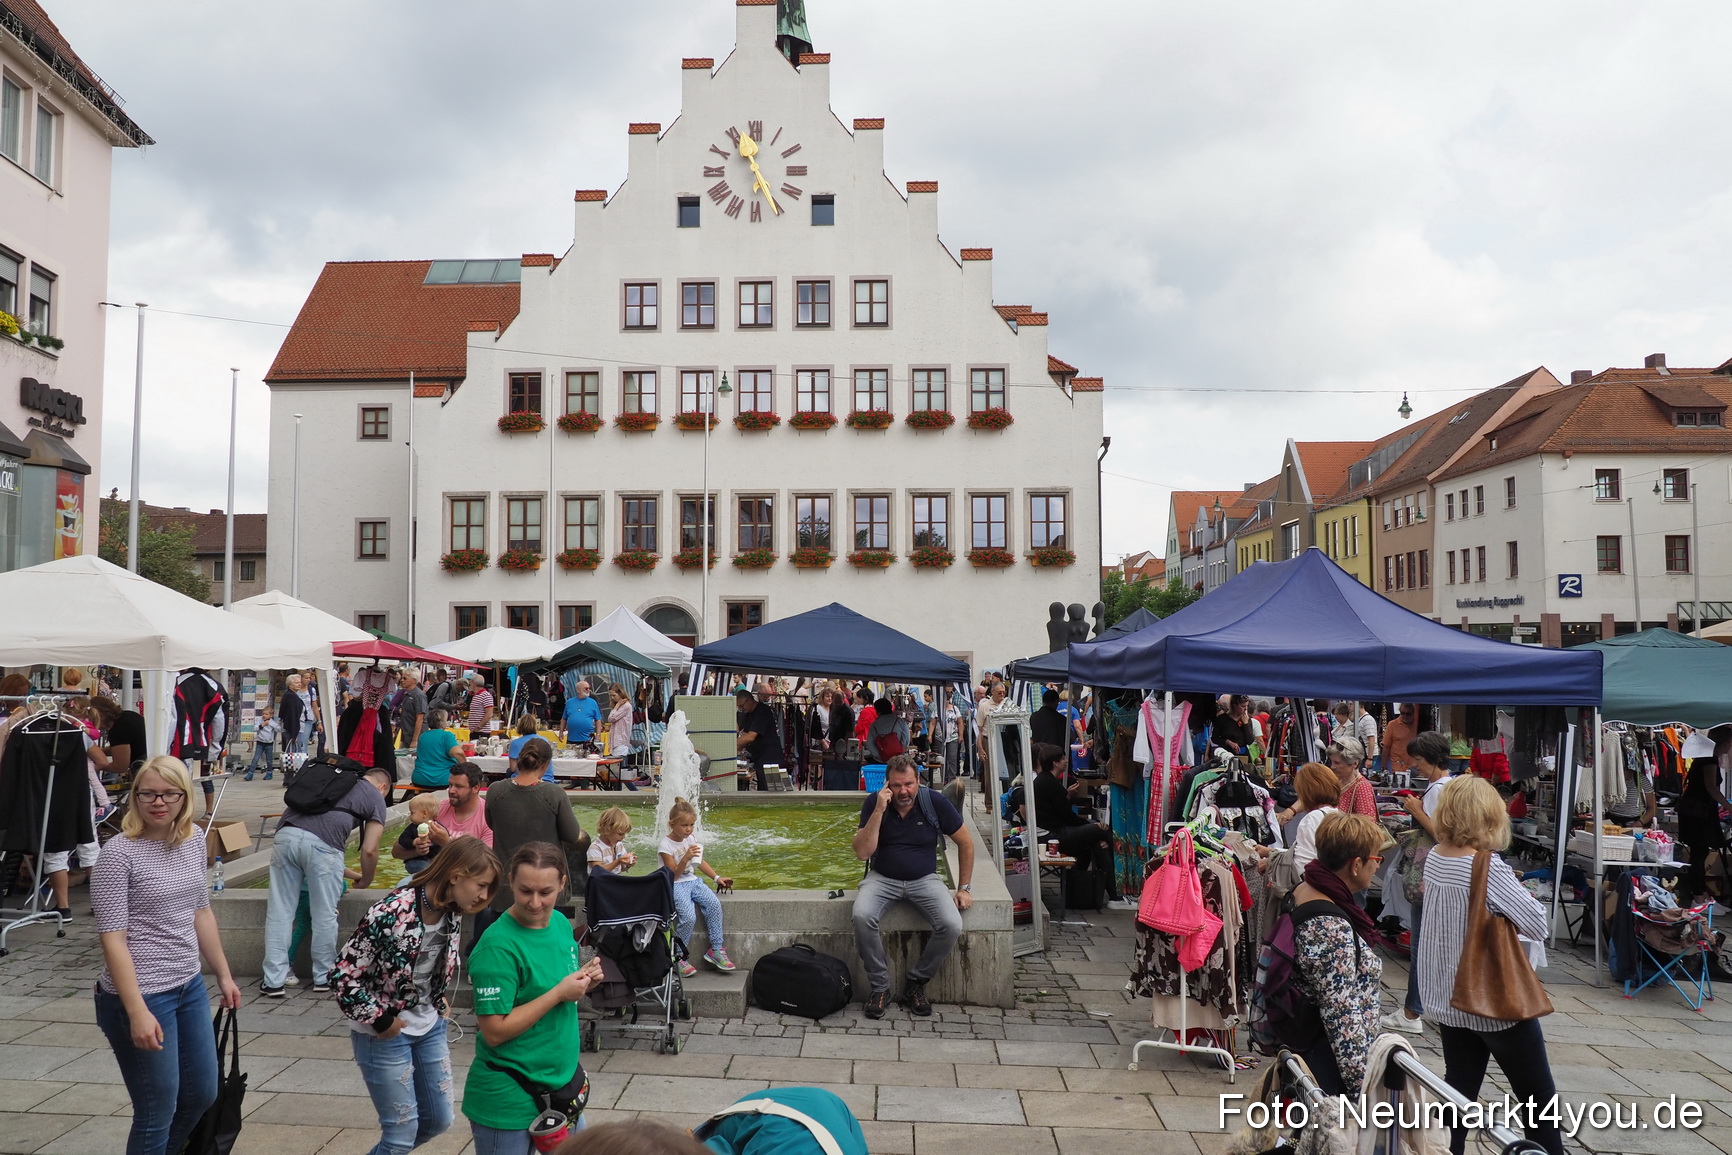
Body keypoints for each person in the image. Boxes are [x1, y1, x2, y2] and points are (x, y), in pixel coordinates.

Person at [91, 756, 242, 1155]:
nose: (158, 802)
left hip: (188, 985)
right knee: (156, 1110)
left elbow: (201, 911)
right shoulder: (117, 855)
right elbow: (113, 940)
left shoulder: (193, 839)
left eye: (169, 794)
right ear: (136, 797)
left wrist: (223, 974)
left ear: (184, 797)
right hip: (141, 993)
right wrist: (137, 1011)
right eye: (148, 794)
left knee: (202, 1093)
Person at [1419, 775, 1562, 1155]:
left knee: (1459, 1090)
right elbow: (1537, 923)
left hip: (1450, 997)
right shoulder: (1486, 866)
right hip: (1494, 1002)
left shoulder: (1436, 857)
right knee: (1538, 1099)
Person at [336, 836, 501, 1155]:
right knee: (400, 1135)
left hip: (430, 1025)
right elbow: (343, 975)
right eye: (481, 885)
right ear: (456, 875)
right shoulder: (392, 910)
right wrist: (381, 1021)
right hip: (382, 1034)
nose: (483, 896)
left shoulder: (453, 909)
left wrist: (437, 996)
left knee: (439, 1120)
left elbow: (429, 962)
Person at [463, 843, 605, 1155]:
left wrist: (583, 980)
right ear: (510, 881)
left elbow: (554, 982)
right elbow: (494, 1031)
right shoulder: (497, 948)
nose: (536, 902)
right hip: (509, 1098)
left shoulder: (559, 924)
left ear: (563, 884)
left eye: (546, 892)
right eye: (525, 891)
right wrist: (559, 993)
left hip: (563, 1087)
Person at [851, 754, 975, 1018]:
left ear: (918, 780)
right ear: (887, 784)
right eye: (896, 785)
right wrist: (879, 810)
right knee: (861, 916)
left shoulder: (934, 802)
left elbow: (966, 842)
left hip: (924, 879)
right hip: (882, 878)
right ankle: (880, 987)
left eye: (908, 784)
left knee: (951, 924)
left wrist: (964, 887)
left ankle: (916, 982)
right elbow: (862, 852)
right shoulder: (874, 802)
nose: (903, 791)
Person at [260, 765, 390, 996]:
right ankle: (323, 977)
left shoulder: (330, 779)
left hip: (286, 835)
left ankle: (273, 981)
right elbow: (370, 850)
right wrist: (366, 879)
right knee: (324, 914)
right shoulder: (375, 795)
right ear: (382, 787)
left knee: (280, 912)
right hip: (324, 845)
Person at [1287, 812, 1389, 1097]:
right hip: (1327, 1066)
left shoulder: (1306, 887)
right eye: (1376, 859)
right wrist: (1363, 1089)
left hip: (1311, 1050)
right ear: (1356, 865)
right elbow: (1341, 1015)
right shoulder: (1330, 927)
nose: (1376, 866)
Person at [1387, 730, 1454, 1034]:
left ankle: (1412, 1011)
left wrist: (1415, 810)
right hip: (1439, 874)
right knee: (1433, 945)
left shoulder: (1439, 789)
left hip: (1429, 873)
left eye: (1418, 759)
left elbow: (1441, 835)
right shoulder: (1449, 785)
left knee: (1420, 945)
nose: (1415, 765)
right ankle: (1433, 1007)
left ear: (1431, 758)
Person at [483, 738, 585, 920]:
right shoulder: (554, 794)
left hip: (505, 888)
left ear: (520, 759)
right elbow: (572, 835)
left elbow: (492, 824)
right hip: (545, 889)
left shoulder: (495, 791)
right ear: (546, 764)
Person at [1025, 743, 1126, 905]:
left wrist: (1069, 797)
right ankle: (1118, 888)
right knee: (1103, 831)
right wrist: (1092, 825)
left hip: (1051, 833)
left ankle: (1106, 895)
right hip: (1050, 837)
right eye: (1063, 758)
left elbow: (1059, 810)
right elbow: (1067, 816)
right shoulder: (1048, 783)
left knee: (1097, 843)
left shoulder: (1046, 781)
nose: (1066, 761)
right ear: (1055, 763)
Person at [660, 796, 736, 974]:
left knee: (714, 905)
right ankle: (677, 956)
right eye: (684, 825)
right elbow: (673, 876)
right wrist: (685, 857)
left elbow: (699, 861)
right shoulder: (665, 845)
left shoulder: (690, 839)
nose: (689, 829)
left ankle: (716, 949)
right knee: (688, 917)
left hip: (693, 881)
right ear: (672, 824)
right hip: (676, 884)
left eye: (692, 825)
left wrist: (716, 878)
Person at [1679, 725, 1730, 904]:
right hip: (1699, 814)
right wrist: (1728, 806)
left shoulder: (1704, 758)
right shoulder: (1710, 760)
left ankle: (1701, 895)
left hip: (1696, 812)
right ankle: (1698, 897)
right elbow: (1711, 787)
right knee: (1699, 854)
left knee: (1699, 853)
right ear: (1723, 742)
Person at [1272, 762, 1340, 870]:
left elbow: (1302, 865)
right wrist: (1272, 852)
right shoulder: (1336, 814)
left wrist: (1271, 863)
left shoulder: (1312, 819)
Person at [735, 687, 784, 790]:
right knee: (763, 789)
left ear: (749, 700)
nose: (741, 709)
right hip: (760, 759)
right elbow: (743, 734)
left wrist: (730, 744)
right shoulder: (748, 714)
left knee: (772, 790)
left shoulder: (762, 711)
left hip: (771, 759)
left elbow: (750, 736)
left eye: (742, 705)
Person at [91, 695, 148, 778]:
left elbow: (120, 766)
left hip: (142, 769)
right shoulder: (128, 715)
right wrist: (97, 752)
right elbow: (119, 748)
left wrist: (94, 766)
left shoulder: (117, 729)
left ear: (100, 717)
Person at [438, 762, 494, 845]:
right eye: (450, 785)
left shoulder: (488, 818)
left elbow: (484, 853)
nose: (451, 791)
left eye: (458, 786)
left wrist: (446, 842)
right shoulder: (439, 809)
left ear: (475, 788)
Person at [393, 794, 445, 876]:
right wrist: (413, 843)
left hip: (433, 860)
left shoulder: (437, 828)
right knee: (423, 869)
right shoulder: (412, 828)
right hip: (415, 860)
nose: (410, 816)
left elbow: (443, 843)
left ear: (424, 813)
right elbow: (402, 840)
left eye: (412, 813)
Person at [1327, 735, 1377, 819]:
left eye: (1337, 763)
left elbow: (1366, 823)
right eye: (1331, 762)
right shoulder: (1336, 781)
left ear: (1354, 764)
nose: (1332, 766)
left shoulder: (1362, 788)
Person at [412, 709, 463, 788]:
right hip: (443, 779)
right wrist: (465, 767)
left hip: (420, 779)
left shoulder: (423, 736)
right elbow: (458, 753)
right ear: (442, 722)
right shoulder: (447, 736)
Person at [587, 807, 637, 874]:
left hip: (615, 879)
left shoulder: (619, 845)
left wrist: (628, 864)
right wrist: (618, 861)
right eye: (620, 834)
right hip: (601, 880)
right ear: (607, 829)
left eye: (624, 834)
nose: (623, 837)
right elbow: (598, 872)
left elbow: (621, 868)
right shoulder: (596, 848)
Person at [604, 686, 637, 786]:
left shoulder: (626, 706)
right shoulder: (622, 707)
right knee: (617, 773)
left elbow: (611, 718)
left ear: (620, 694)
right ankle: (617, 790)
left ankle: (633, 791)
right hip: (616, 741)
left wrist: (617, 706)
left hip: (621, 741)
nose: (612, 698)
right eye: (611, 696)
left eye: (614, 695)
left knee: (621, 772)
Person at [864, 696, 906, 763]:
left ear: (877, 711)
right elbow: (906, 740)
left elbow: (870, 744)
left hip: (879, 761)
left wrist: (880, 756)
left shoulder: (874, 725)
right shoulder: (900, 722)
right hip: (897, 760)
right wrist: (900, 753)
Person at [244, 706, 282, 781]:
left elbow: (278, 729)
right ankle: (250, 773)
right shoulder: (260, 720)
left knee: (269, 759)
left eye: (266, 714)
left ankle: (269, 773)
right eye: (263, 714)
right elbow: (254, 728)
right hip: (260, 743)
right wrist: (262, 725)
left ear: (271, 715)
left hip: (269, 743)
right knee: (256, 758)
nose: (264, 715)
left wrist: (270, 724)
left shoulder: (272, 722)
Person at [394, 667, 428, 751]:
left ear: (414, 680)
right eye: (402, 678)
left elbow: (420, 718)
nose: (402, 680)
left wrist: (415, 740)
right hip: (406, 736)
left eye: (405, 678)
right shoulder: (406, 694)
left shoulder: (418, 696)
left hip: (415, 738)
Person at [1382, 703, 1419, 779]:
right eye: (1402, 713)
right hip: (1398, 766)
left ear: (1413, 714)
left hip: (1414, 766)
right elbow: (1386, 747)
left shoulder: (1416, 724)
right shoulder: (1392, 725)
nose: (1404, 716)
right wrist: (1384, 767)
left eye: (1408, 714)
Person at [562, 680, 603, 747]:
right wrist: (561, 732)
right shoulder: (569, 702)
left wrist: (598, 735)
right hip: (571, 739)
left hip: (588, 739)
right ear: (578, 690)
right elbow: (564, 718)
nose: (589, 690)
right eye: (586, 688)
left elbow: (598, 720)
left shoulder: (593, 702)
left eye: (589, 688)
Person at [281, 673, 312, 756]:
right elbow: (292, 716)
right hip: (293, 730)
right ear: (290, 684)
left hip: (296, 728)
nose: (299, 684)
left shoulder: (292, 695)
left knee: (295, 752)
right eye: (296, 683)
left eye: (300, 682)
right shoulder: (290, 697)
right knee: (294, 754)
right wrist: (294, 734)